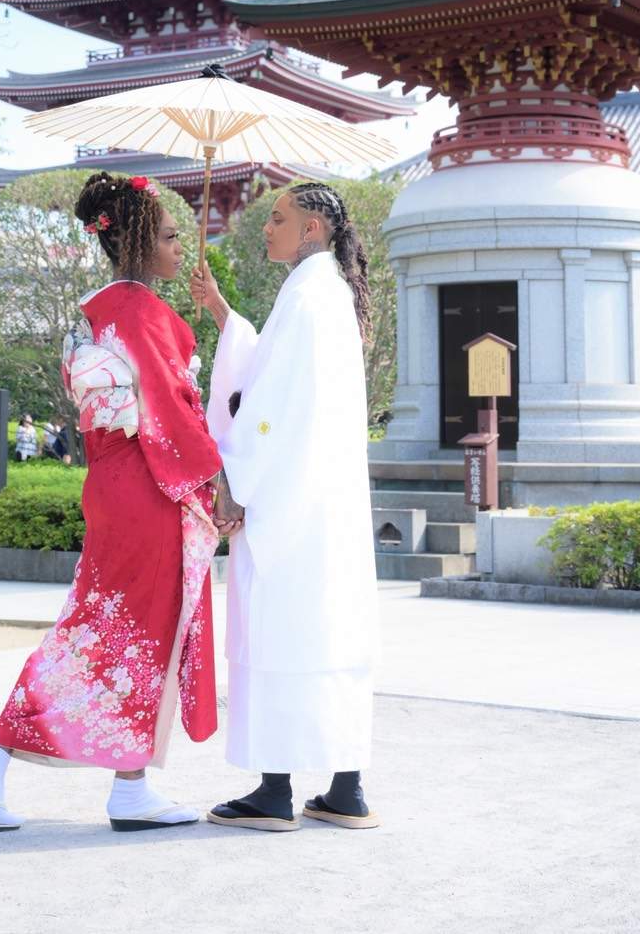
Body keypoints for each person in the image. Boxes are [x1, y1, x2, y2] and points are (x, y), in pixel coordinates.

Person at [0, 171, 223, 835]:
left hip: (113, 482)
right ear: (138, 239)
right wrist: (218, 483)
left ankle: (127, 786)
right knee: (120, 631)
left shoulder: (99, 308)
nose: (180, 248)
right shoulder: (140, 311)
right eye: (169, 236)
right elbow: (173, 414)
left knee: (116, 630)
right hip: (148, 486)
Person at [191, 182, 380, 832]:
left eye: (277, 218)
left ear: (313, 228)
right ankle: (346, 788)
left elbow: (267, 402)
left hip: (288, 498)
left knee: (278, 630)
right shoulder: (328, 293)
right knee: (329, 633)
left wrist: (235, 480)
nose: (266, 227)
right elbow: (269, 376)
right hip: (327, 501)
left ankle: (274, 790)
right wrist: (222, 311)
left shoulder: (304, 296)